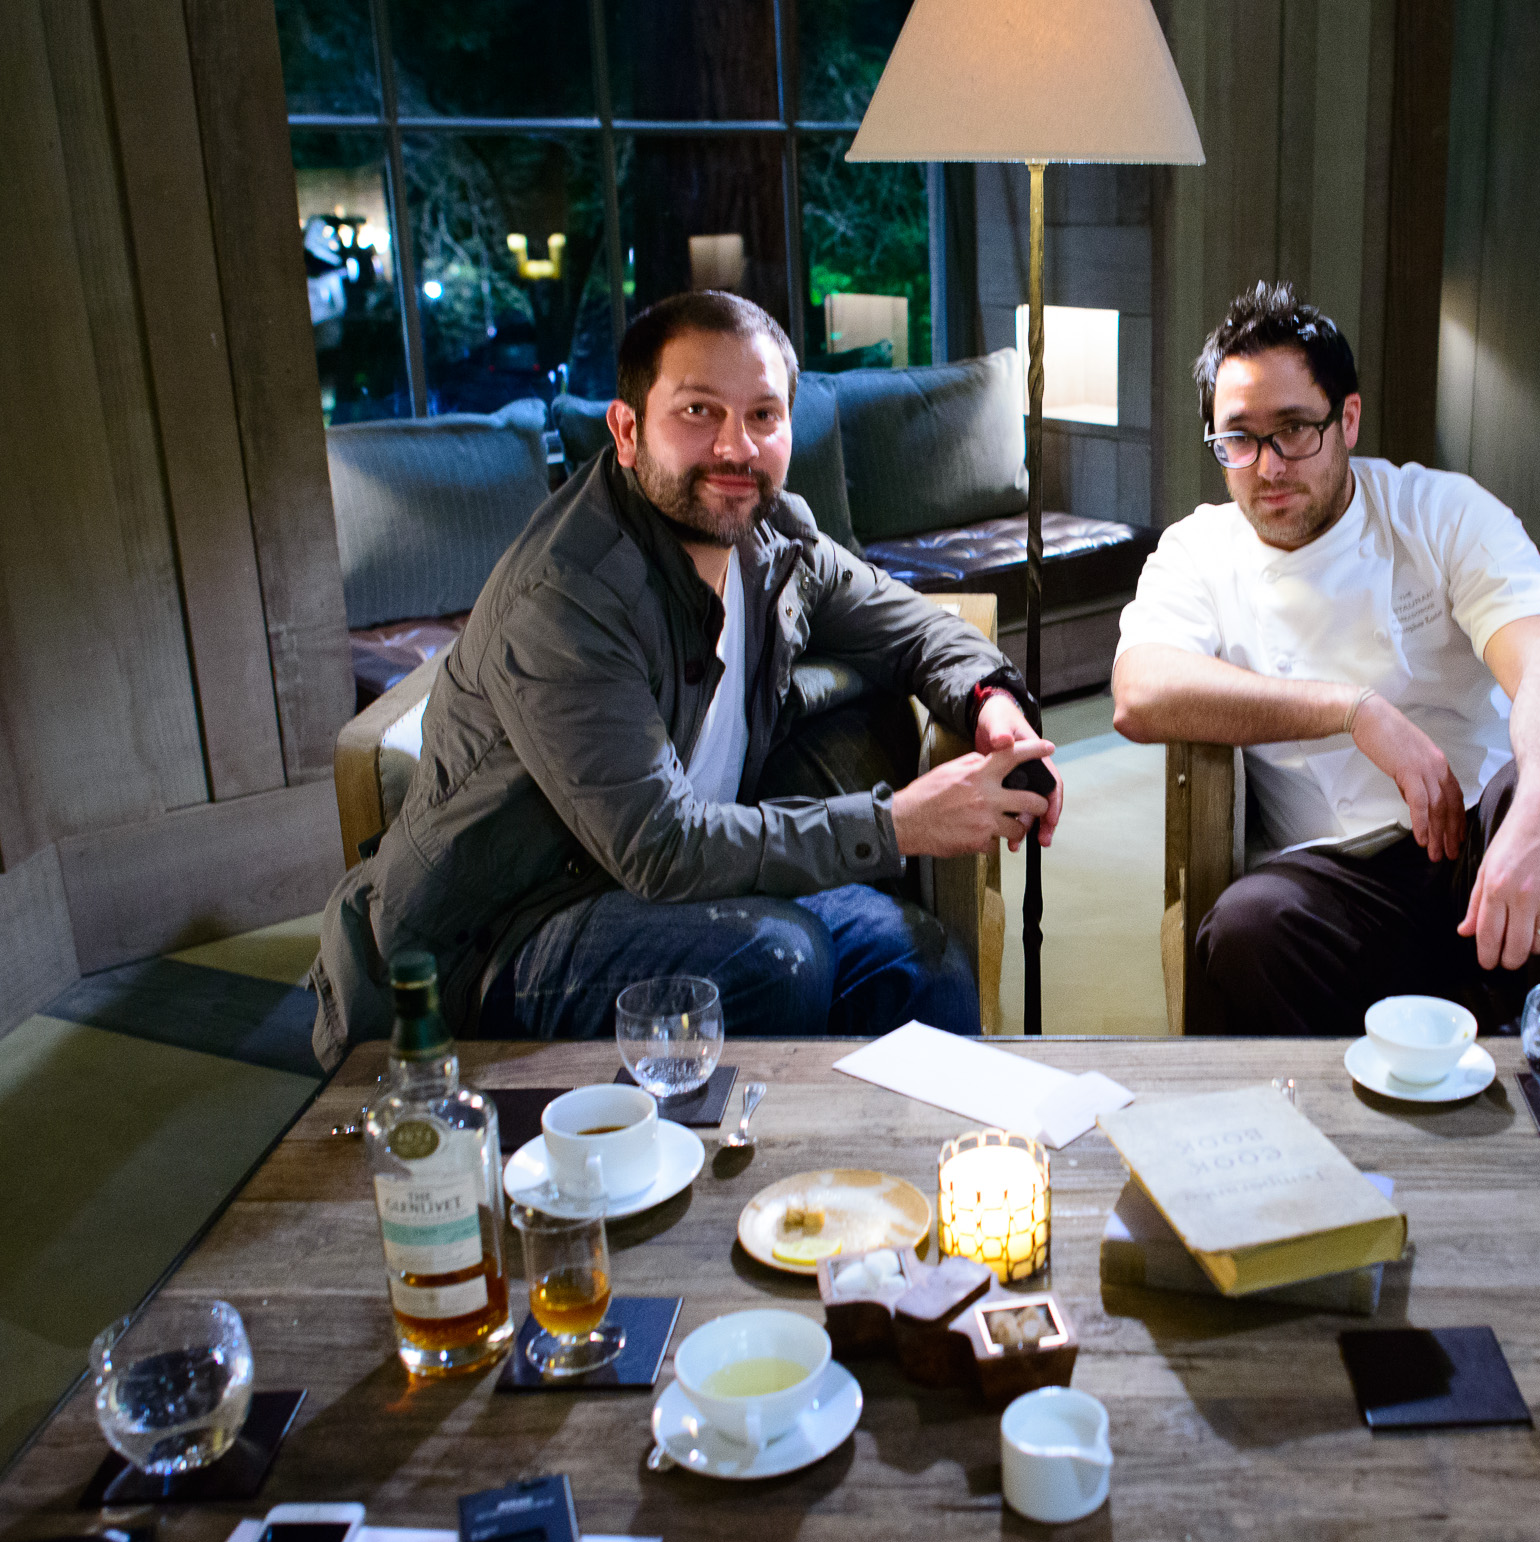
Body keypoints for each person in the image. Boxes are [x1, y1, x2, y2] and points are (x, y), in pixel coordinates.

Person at [309, 291, 1061, 1067]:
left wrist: (991, 702)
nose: (736, 448)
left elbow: (916, 623)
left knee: (916, 960)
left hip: (680, 887)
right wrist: (897, 822)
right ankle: (743, 1178)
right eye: (699, 412)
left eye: (763, 416)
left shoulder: (775, 542)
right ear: (628, 431)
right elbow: (660, 846)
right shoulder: (568, 597)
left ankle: (887, 1179)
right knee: (778, 958)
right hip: (503, 936)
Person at [1109, 282, 1540, 1037]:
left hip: (1486, 846)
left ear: (1347, 419)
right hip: (1336, 876)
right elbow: (1140, 691)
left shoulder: (1440, 512)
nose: (1268, 467)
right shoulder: (1198, 551)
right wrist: (1354, 711)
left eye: (1295, 430)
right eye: (1239, 439)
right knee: (1245, 929)